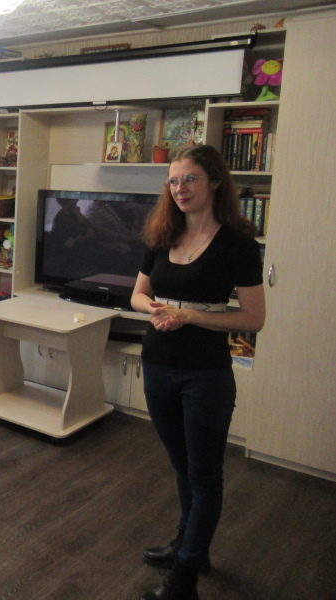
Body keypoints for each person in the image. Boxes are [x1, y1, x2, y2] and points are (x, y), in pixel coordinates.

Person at [130, 145, 266, 600]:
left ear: (215, 182)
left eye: (190, 179)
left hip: (205, 374)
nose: (180, 188)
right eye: (173, 180)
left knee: (204, 473)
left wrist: (188, 316)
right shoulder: (161, 234)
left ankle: (185, 577)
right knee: (181, 465)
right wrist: (155, 311)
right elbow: (137, 295)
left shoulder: (238, 245)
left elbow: (253, 318)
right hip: (156, 365)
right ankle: (190, 546)